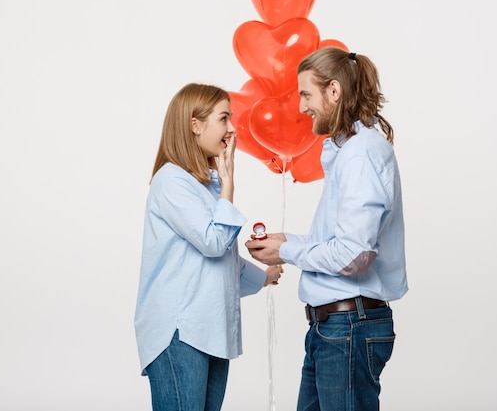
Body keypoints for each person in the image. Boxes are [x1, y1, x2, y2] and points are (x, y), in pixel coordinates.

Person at [245, 47, 408, 411]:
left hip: (348, 328)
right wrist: (288, 241)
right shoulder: (347, 150)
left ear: (334, 91)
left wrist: (286, 252)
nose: (302, 107)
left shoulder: (361, 153)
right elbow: (342, 242)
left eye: (306, 94)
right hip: (335, 328)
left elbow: (353, 255)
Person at [134, 83, 283, 411]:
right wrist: (229, 183)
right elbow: (214, 243)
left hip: (210, 332)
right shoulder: (171, 181)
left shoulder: (204, 185)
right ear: (195, 125)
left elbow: (222, 262)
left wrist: (266, 275)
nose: (232, 129)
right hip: (180, 333)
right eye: (224, 118)